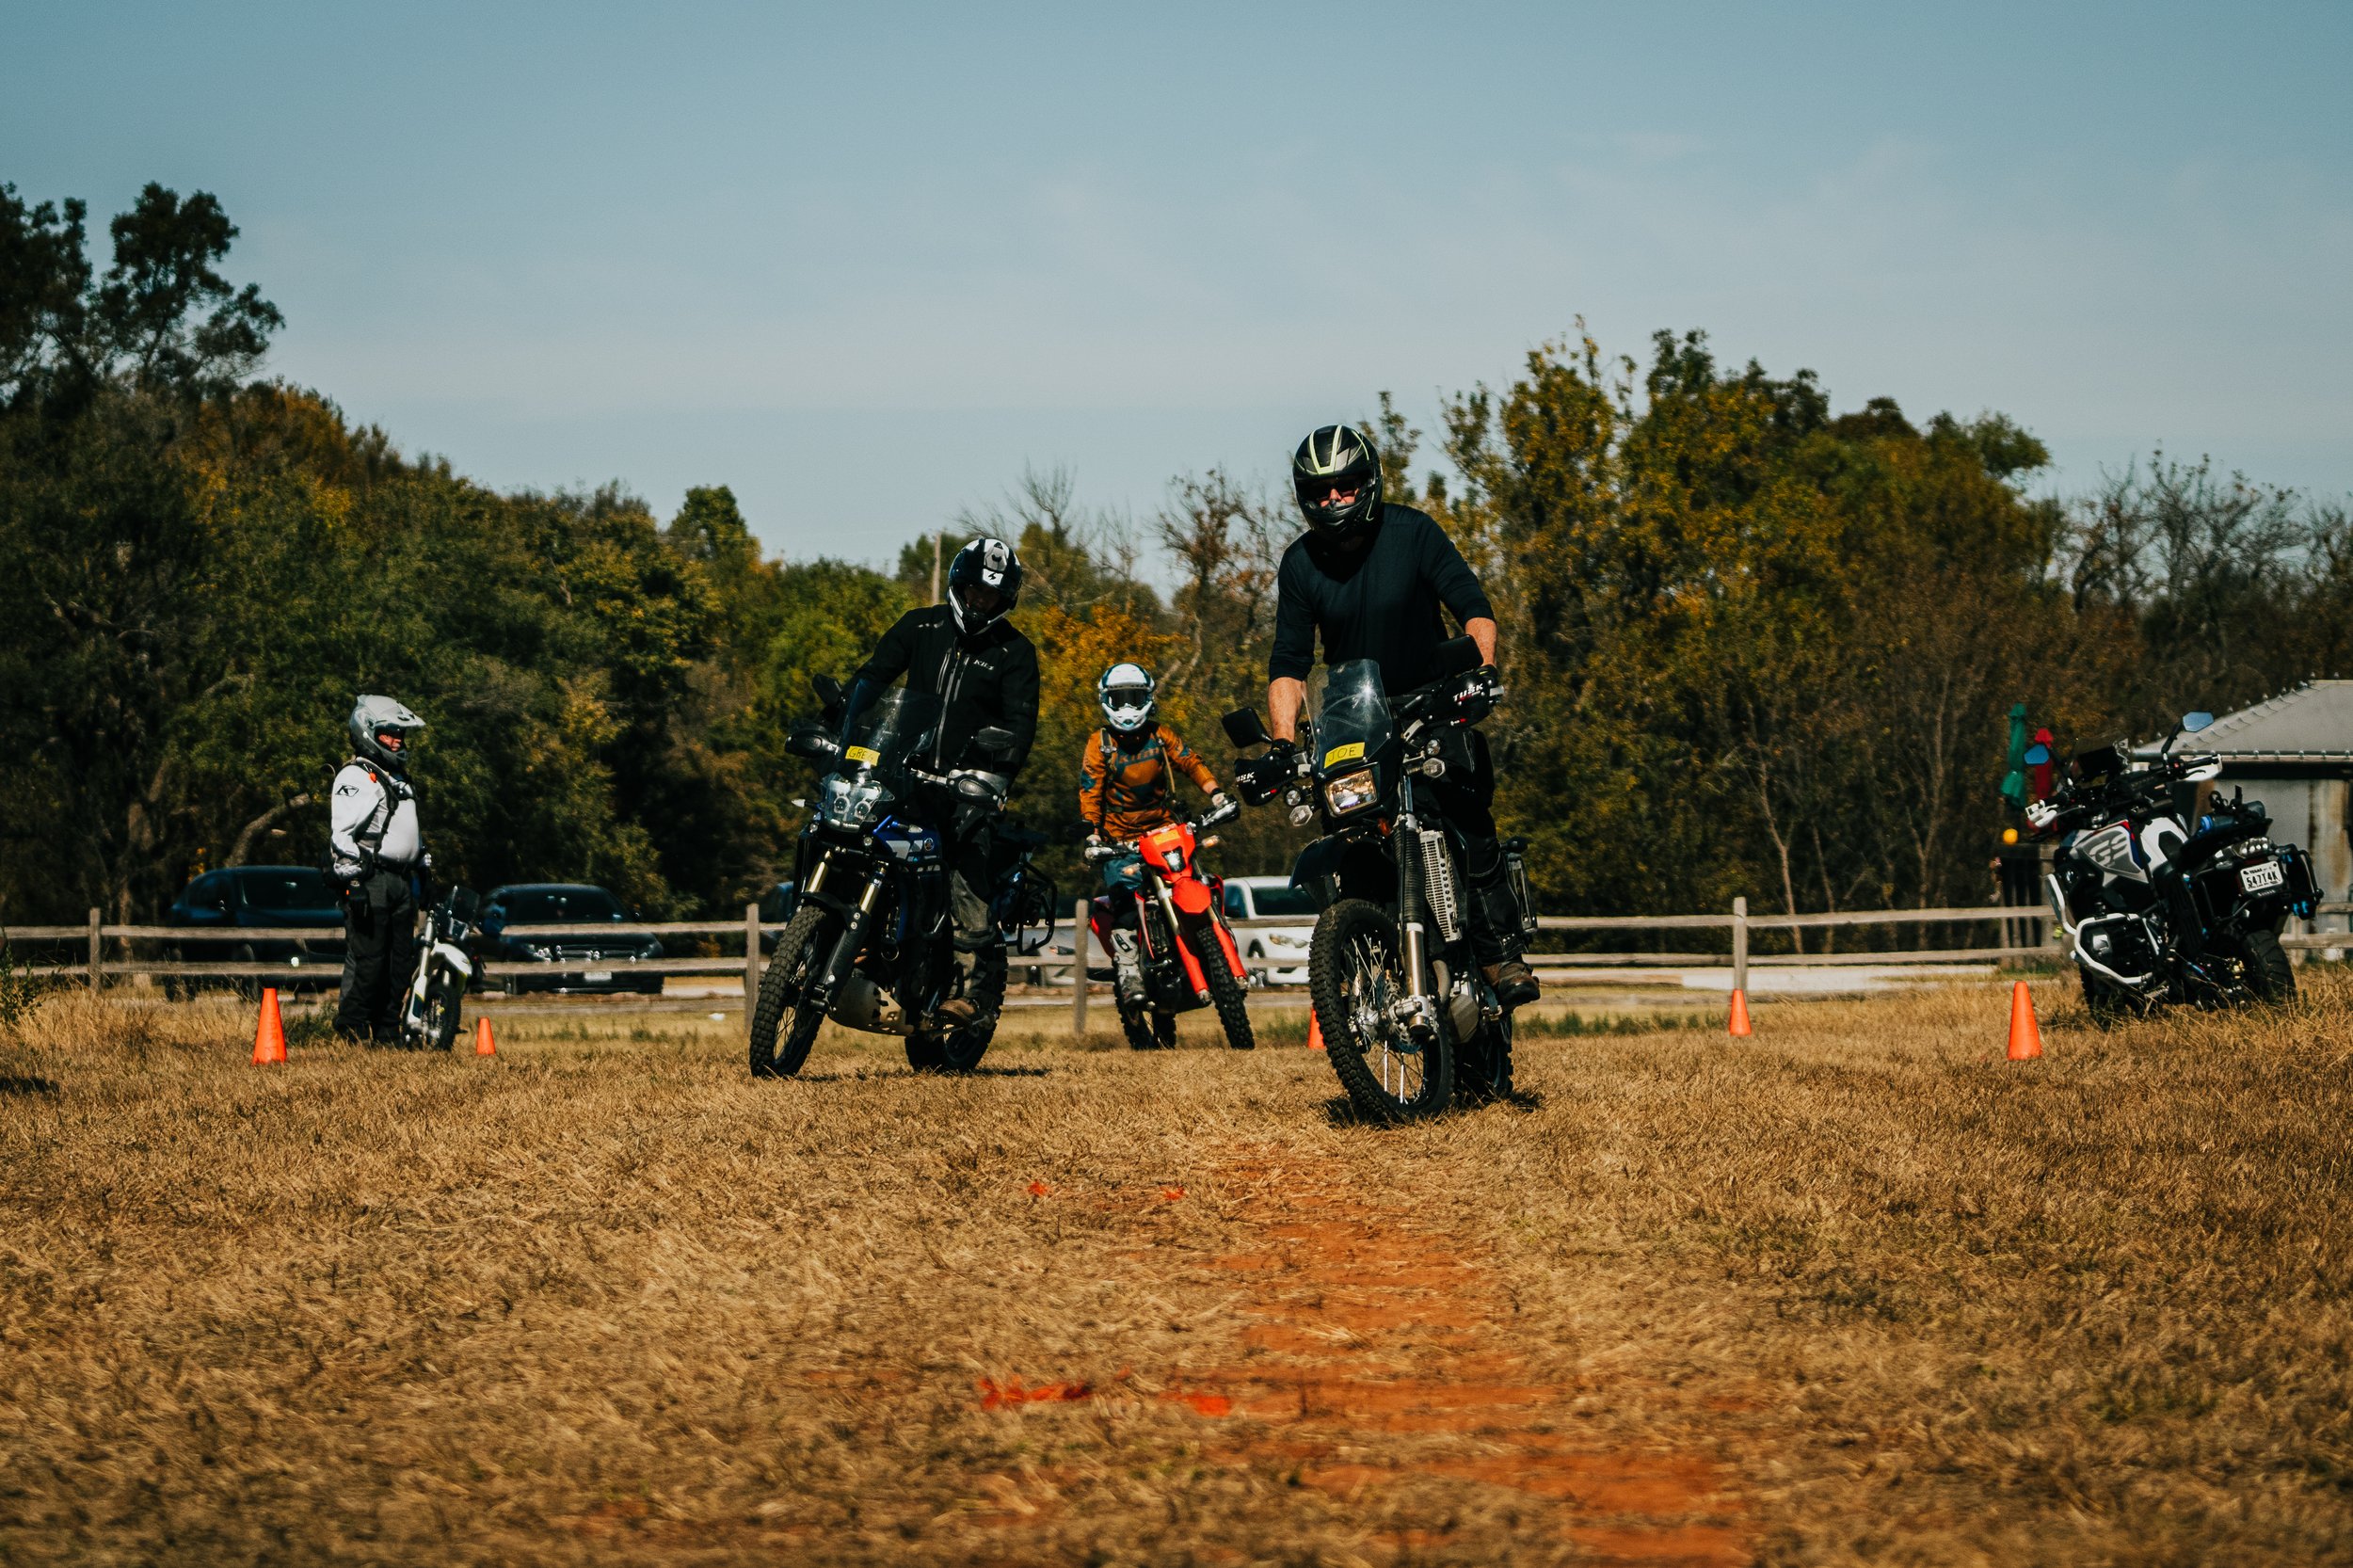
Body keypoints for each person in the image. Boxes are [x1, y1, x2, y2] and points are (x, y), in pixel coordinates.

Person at [1264, 423, 1541, 1007]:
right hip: (1354, 719)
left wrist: (1482, 671)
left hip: (1434, 703)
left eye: (1345, 485)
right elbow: (1289, 662)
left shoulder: (1413, 532)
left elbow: (1472, 606)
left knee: (1464, 816)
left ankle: (1499, 954)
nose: (1333, 499)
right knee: (1351, 827)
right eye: (1319, 491)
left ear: (1369, 483)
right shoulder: (1300, 564)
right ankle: (1367, 953)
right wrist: (1283, 744)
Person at [846, 536, 1039, 1025]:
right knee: (856, 840)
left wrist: (996, 777)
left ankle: (972, 990)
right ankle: (853, 942)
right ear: (958, 584)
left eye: (990, 595)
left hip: (965, 790)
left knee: (964, 877)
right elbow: (872, 678)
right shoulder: (921, 625)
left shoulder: (1015, 652)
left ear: (1005, 599)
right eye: (973, 590)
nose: (979, 601)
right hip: (902, 777)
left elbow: (1020, 724)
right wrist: (838, 724)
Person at [329, 695, 428, 1043]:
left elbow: (411, 832)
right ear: (368, 732)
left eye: (400, 734)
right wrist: (353, 879)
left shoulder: (399, 777)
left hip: (401, 880)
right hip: (372, 878)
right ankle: (352, 1026)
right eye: (389, 733)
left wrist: (424, 871)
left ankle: (387, 1029)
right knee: (370, 960)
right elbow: (341, 835)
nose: (397, 740)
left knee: (400, 963)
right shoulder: (357, 776)